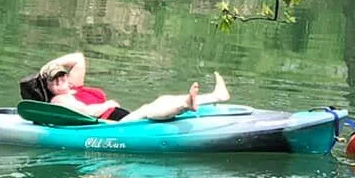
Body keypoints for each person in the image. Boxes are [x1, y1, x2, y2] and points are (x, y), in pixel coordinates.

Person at [20, 51, 230, 123]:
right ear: (48, 86)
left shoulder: (73, 87)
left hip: (118, 117)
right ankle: (187, 104)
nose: (60, 80)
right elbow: (82, 112)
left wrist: (46, 67)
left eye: (61, 75)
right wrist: (107, 104)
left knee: (160, 101)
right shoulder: (59, 99)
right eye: (54, 79)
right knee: (149, 108)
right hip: (111, 127)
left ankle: (216, 96)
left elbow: (78, 58)